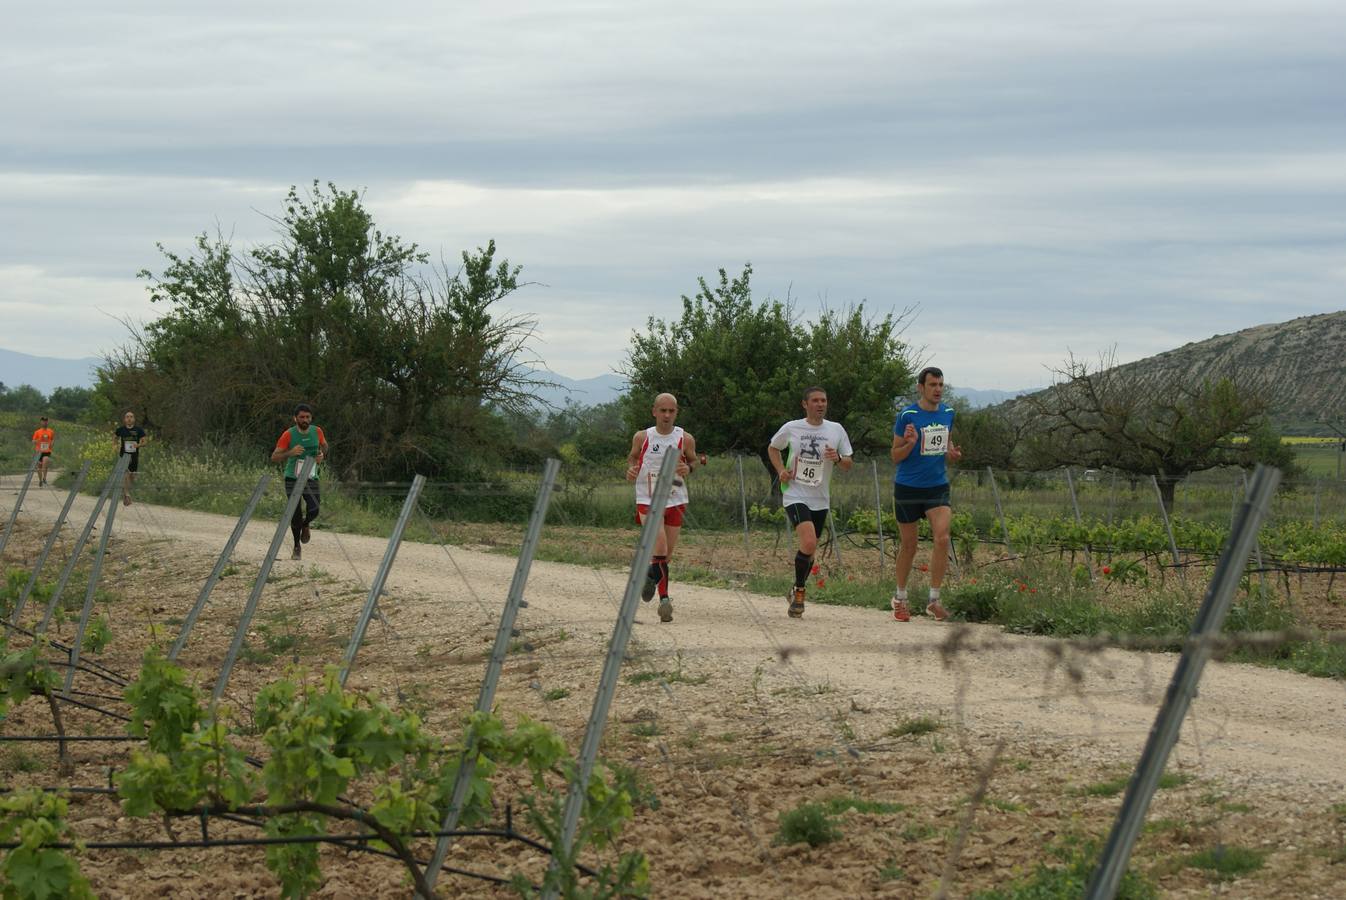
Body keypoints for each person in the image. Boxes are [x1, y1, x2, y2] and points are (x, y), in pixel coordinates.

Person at [767, 386, 853, 619]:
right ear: (805, 404)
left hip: (821, 497)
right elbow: (773, 448)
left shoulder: (835, 429)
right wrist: (781, 469)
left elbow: (848, 462)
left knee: (810, 548)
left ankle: (795, 589)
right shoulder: (792, 427)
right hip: (795, 493)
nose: (820, 404)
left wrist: (837, 458)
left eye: (823, 400)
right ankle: (801, 591)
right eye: (815, 400)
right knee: (808, 540)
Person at [890, 367, 962, 622]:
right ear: (921, 387)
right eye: (933, 384)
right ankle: (899, 597)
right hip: (908, 487)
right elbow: (895, 456)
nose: (938, 389)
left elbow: (946, 445)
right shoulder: (907, 415)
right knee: (909, 545)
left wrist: (951, 454)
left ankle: (934, 600)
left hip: (937, 486)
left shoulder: (948, 413)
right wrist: (909, 443)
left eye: (941, 384)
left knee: (942, 538)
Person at [626, 393, 697, 623]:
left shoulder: (685, 438)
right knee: (660, 545)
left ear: (676, 412)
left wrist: (689, 468)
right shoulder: (642, 436)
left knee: (665, 555)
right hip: (647, 498)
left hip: (675, 497)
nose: (667, 415)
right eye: (663, 410)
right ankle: (665, 600)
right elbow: (633, 458)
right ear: (654, 411)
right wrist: (632, 469)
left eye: (671, 411)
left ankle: (648, 576)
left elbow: (693, 461)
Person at [271, 404, 328, 561]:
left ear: (311, 418)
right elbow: (274, 457)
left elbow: (325, 446)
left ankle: (305, 524)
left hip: (310, 476)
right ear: (295, 418)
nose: (305, 420)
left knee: (314, 509)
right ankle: (297, 546)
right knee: (295, 514)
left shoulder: (317, 431)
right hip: (293, 478)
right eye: (302, 417)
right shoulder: (288, 435)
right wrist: (290, 452)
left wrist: (322, 455)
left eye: (307, 417)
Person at [114, 411, 149, 506]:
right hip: (124, 455)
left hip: (134, 456)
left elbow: (145, 442)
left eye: (131, 417)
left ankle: (125, 491)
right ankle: (127, 495)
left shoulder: (139, 430)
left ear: (134, 419)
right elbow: (115, 438)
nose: (129, 418)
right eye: (127, 417)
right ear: (124, 419)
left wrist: (138, 445)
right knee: (125, 473)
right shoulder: (120, 430)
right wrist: (115, 446)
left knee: (132, 476)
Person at [31, 416, 55, 486]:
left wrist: (52, 443)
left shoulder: (51, 431)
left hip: (47, 451)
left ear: (47, 422)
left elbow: (52, 439)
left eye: (46, 421)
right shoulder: (37, 432)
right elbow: (33, 441)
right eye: (43, 421)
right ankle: (40, 480)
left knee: (45, 462)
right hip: (39, 451)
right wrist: (39, 440)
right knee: (39, 467)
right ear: (41, 422)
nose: (45, 422)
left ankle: (44, 478)